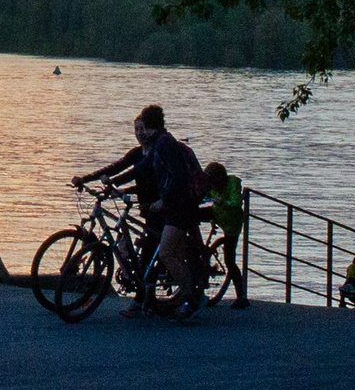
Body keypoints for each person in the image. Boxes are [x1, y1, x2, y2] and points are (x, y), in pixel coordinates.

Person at [75, 104, 205, 318]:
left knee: (166, 254)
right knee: (155, 250)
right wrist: (113, 183)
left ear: (150, 125)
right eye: (136, 128)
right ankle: (145, 298)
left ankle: (193, 301)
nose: (139, 132)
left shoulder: (164, 145)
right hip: (168, 206)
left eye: (142, 126)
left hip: (180, 207)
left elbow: (179, 177)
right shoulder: (157, 144)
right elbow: (137, 168)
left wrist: (163, 201)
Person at [202, 161, 248, 309]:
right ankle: (198, 252)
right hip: (218, 214)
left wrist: (223, 201)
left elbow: (236, 203)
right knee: (190, 216)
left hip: (232, 223)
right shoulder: (210, 185)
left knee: (229, 260)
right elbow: (203, 194)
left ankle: (241, 296)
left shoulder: (232, 184)